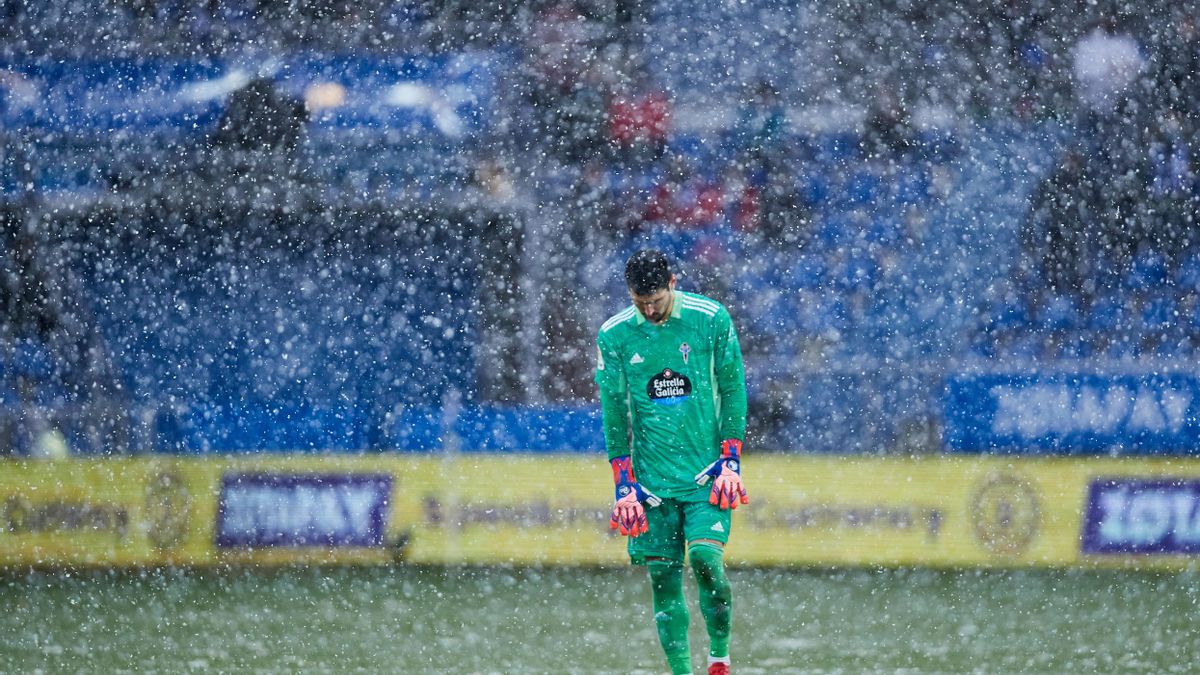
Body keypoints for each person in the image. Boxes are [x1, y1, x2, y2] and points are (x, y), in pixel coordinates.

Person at [594, 249, 748, 675]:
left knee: (705, 562)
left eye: (656, 300)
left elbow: (733, 388)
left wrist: (731, 459)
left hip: (705, 475)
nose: (648, 309)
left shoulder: (710, 318)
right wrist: (623, 482)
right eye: (639, 301)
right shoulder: (615, 335)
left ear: (673, 283)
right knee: (663, 582)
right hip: (650, 484)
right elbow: (613, 411)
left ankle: (719, 658)